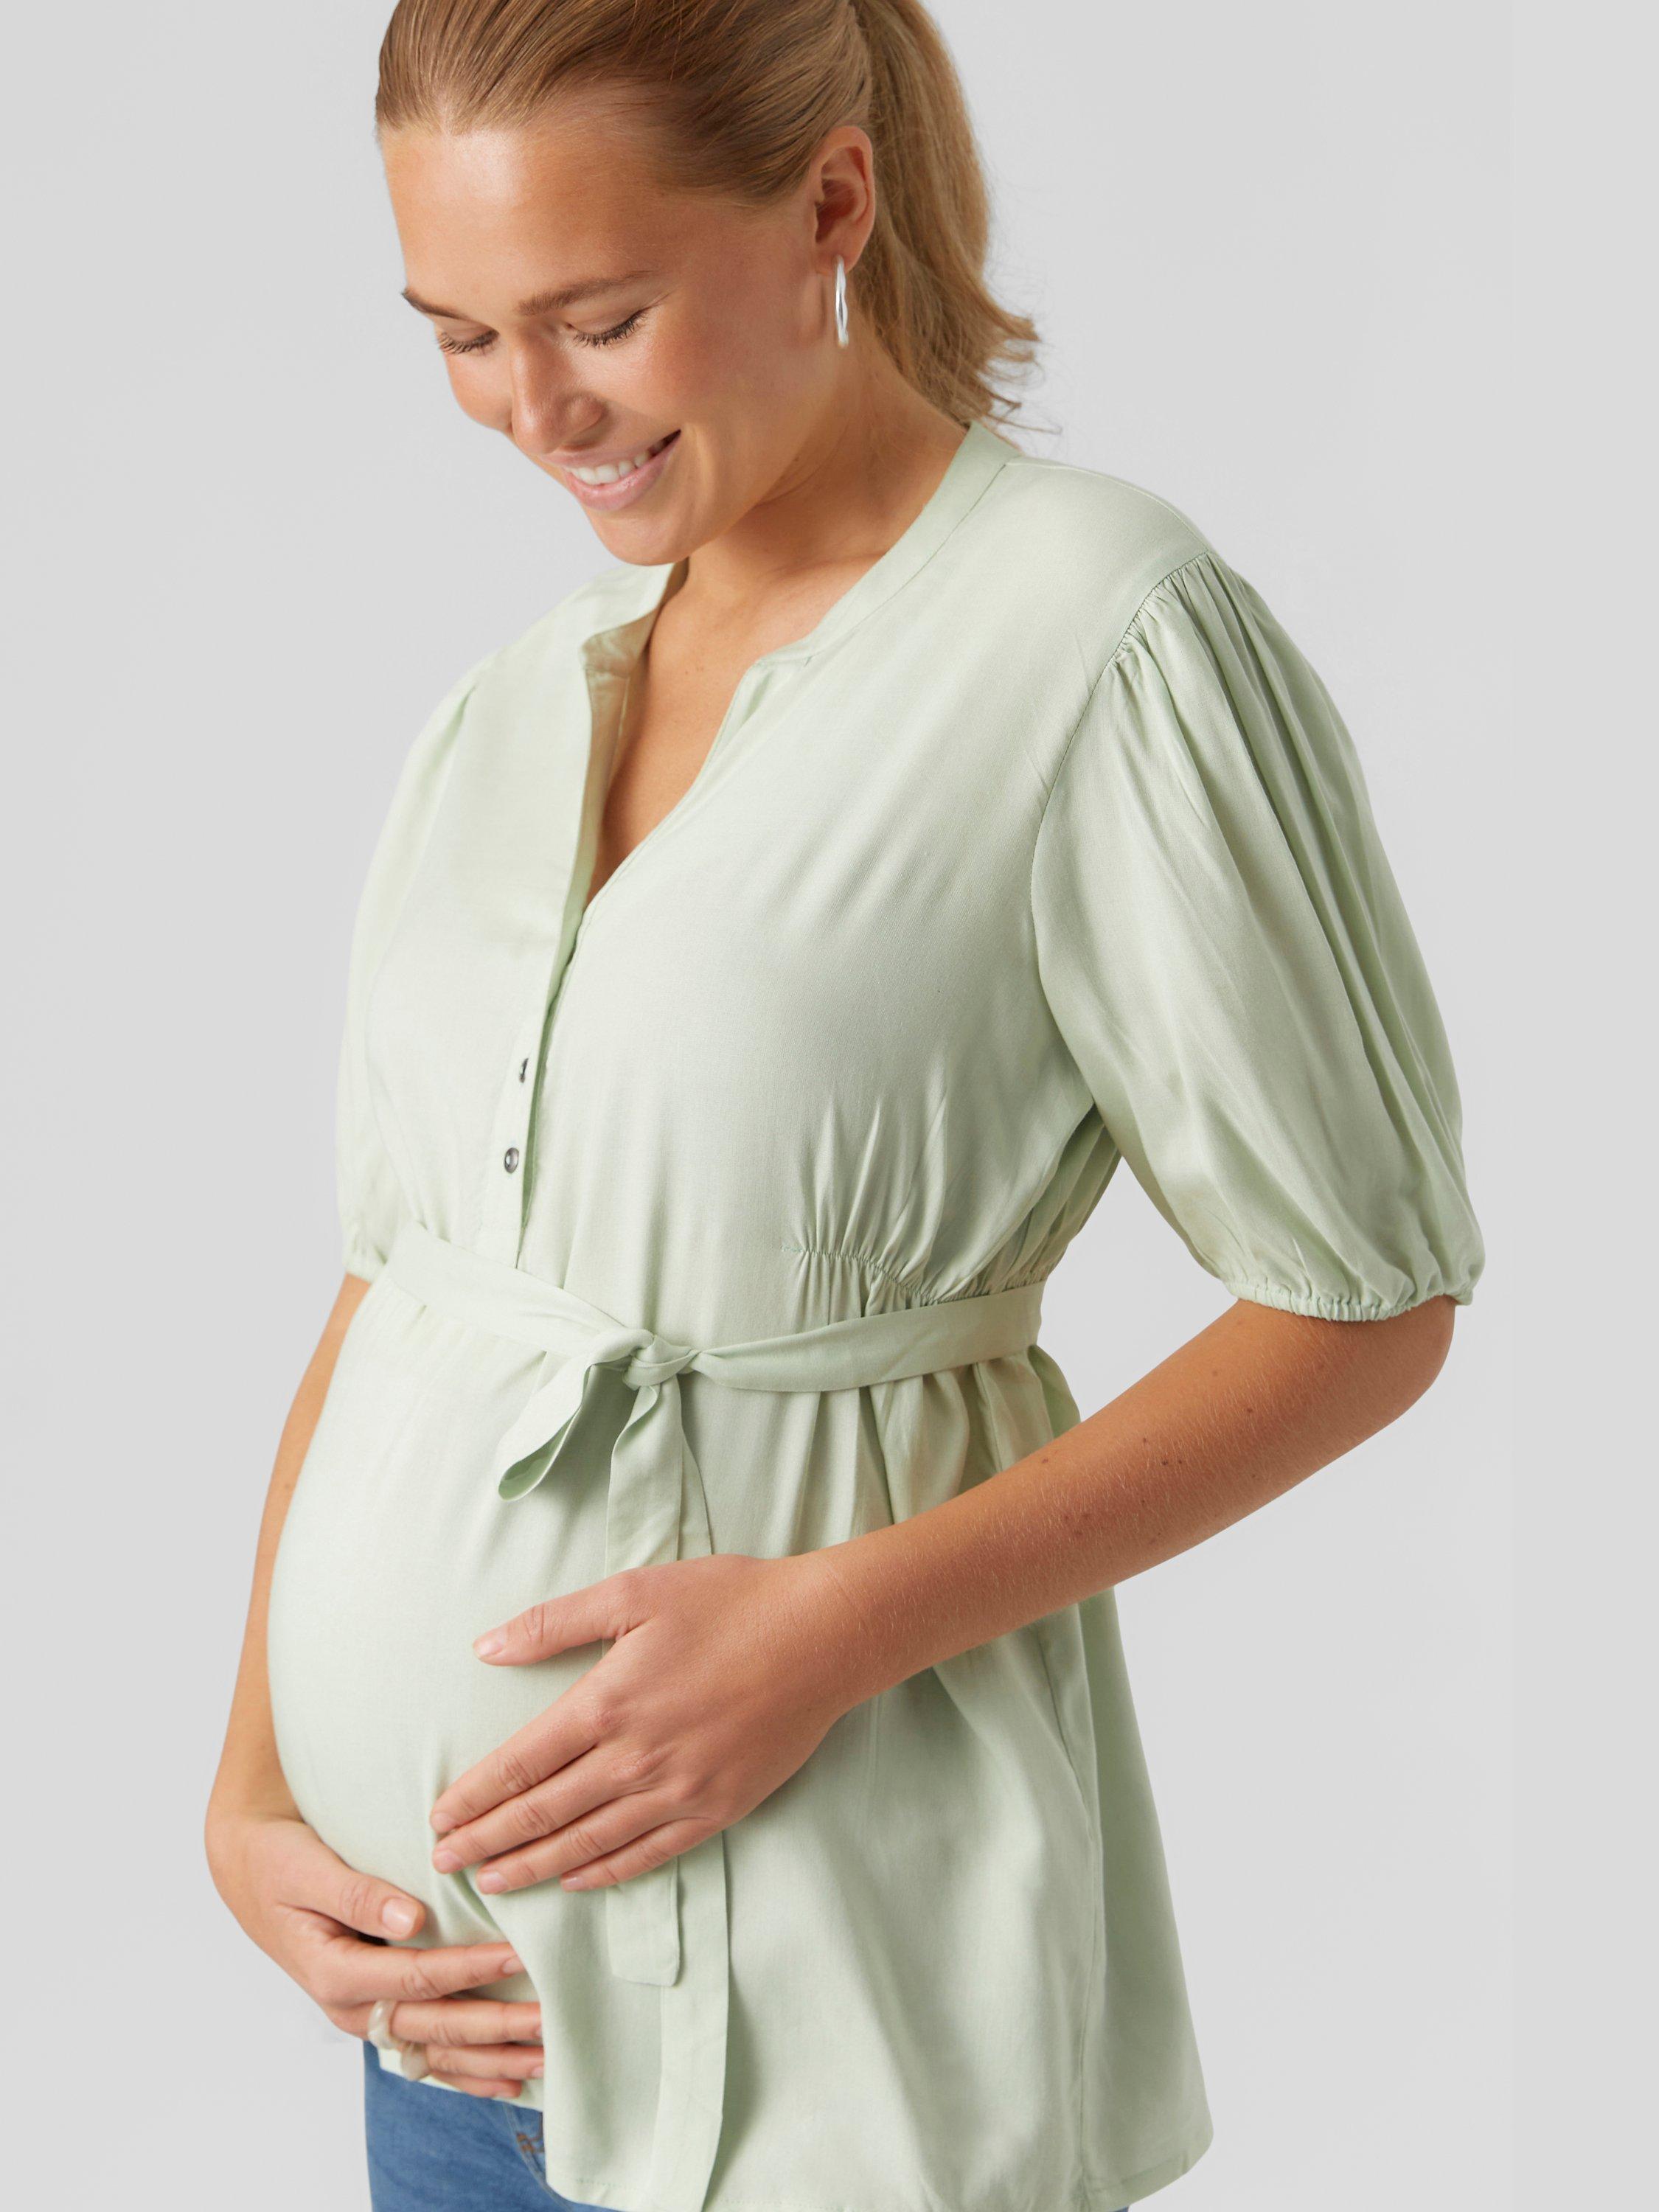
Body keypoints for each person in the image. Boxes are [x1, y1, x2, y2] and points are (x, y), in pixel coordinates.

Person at [204, 3, 1486, 2209]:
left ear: (829, 200)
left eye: (599, 316)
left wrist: (834, 1630)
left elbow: (1367, 1303)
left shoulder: (1100, 639)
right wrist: (255, 1795)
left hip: (835, 2014)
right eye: (460, 336)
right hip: (451, 2028)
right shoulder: (516, 706)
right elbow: (402, 1286)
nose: (532, 411)